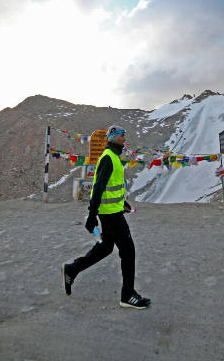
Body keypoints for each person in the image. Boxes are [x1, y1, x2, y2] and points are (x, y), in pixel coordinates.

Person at [61, 125, 152, 309]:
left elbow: (112, 187)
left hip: (113, 211)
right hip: (110, 216)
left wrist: (122, 203)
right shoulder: (109, 158)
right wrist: (91, 215)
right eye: (122, 136)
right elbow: (98, 187)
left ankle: (72, 269)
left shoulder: (114, 157)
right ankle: (127, 295)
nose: (125, 139)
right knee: (128, 251)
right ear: (113, 137)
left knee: (105, 248)